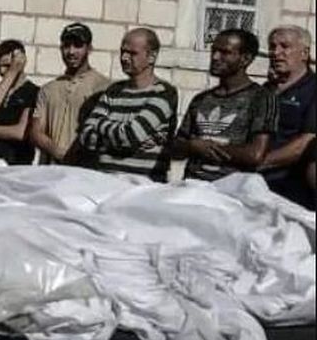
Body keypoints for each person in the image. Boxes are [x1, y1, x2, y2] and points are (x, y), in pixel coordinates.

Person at [73, 28, 178, 182]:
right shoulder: (113, 91)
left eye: (132, 53)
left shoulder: (164, 93)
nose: (124, 58)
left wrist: (102, 126)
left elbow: (130, 136)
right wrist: (126, 136)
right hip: (106, 184)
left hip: (142, 189)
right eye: (122, 52)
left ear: (152, 56)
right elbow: (86, 137)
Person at [171, 28, 275, 182]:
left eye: (225, 53)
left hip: (231, 192)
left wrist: (209, 148)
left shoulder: (261, 98)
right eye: (213, 51)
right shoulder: (200, 99)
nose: (215, 57)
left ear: (245, 59)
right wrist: (192, 146)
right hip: (192, 188)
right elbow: (176, 148)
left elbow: (256, 154)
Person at [27, 23, 110, 164]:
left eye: (78, 45)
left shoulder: (103, 86)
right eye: (66, 46)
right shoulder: (48, 89)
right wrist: (60, 153)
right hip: (51, 172)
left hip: (85, 172)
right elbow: (36, 132)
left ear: (89, 48)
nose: (71, 52)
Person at [258, 25, 315, 207]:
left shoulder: (313, 90)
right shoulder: (266, 90)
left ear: (304, 54)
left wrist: (259, 162)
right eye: (272, 47)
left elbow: (305, 143)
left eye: (285, 46)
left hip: (289, 188)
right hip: (253, 183)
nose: (276, 52)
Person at [0, 39, 40, 166]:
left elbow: (20, 132)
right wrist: (11, 74)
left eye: (7, 66)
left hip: (16, 160)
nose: (2, 71)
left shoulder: (34, 92)